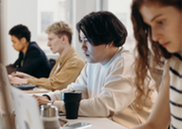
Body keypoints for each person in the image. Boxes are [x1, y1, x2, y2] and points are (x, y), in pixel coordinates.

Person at [33, 11, 157, 128]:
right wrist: (47, 98)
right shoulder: (93, 62)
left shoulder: (126, 64)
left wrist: (53, 105)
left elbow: (103, 107)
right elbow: (75, 92)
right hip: (105, 123)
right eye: (82, 40)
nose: (82, 46)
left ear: (109, 41)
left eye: (87, 40)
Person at [130, 0, 182, 128]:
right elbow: (154, 125)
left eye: (160, 22)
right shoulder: (174, 62)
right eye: (149, 25)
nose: (154, 36)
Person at [9, 21, 85, 91]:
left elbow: (55, 85)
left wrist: (26, 81)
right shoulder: (60, 60)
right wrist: (28, 78)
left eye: (51, 39)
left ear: (64, 39)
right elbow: (50, 82)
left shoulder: (75, 62)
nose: (48, 44)